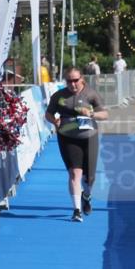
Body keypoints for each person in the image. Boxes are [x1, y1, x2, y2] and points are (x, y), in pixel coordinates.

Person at [45, 67, 109, 222]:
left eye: (75, 80)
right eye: (69, 81)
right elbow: (48, 114)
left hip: (89, 137)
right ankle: (77, 210)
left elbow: (105, 114)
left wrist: (92, 114)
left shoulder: (91, 93)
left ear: (82, 79)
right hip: (67, 137)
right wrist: (55, 121)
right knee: (74, 173)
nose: (72, 84)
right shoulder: (59, 96)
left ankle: (86, 196)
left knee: (90, 178)